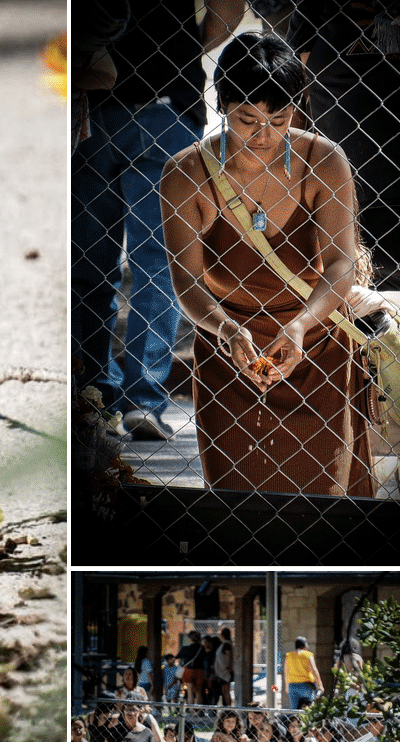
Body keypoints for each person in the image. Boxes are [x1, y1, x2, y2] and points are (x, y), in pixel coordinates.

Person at [159, 31, 376, 496]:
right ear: (222, 105)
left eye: (279, 119)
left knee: (327, 498)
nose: (264, 136)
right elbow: (187, 280)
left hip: (317, 340)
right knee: (236, 500)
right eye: (247, 119)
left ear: (298, 108)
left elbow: (340, 264)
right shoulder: (186, 172)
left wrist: (300, 325)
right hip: (229, 345)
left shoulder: (324, 161)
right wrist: (226, 329)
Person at [72, 0, 247, 440]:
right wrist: (183, 48)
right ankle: (143, 402)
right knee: (160, 261)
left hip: (92, 102)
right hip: (167, 102)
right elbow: (228, 3)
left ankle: (94, 398)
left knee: (89, 262)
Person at [288, 0, 400, 377]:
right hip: (387, 225)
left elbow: (295, 99)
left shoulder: (324, 1)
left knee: (383, 384)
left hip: (359, 227)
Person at [284, 636, 324, 709]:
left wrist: (287, 686)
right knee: (310, 709)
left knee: (295, 710)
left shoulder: (289, 655)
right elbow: (314, 670)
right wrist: (320, 685)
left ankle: (296, 716)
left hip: (292, 686)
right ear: (304, 646)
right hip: (306, 686)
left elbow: (286, 671)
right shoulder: (308, 655)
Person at [178, 630, 205, 704]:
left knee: (189, 691)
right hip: (200, 671)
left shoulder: (186, 648)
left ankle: (191, 709)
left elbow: (177, 656)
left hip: (188, 670)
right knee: (198, 691)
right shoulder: (202, 648)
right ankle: (199, 709)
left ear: (190, 638)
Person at [213, 625, 234, 706]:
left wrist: (228, 667)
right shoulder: (224, 644)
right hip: (222, 671)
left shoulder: (227, 645)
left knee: (226, 691)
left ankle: (229, 708)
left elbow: (229, 656)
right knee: (224, 691)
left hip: (225, 671)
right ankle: (227, 708)